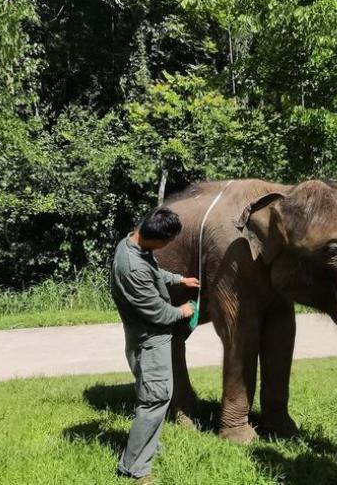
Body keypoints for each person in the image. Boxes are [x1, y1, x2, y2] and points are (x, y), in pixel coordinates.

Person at [110, 206, 200, 484]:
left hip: (143, 339)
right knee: (155, 400)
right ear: (156, 240)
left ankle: (146, 446)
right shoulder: (133, 268)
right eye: (168, 242)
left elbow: (154, 271)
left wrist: (179, 279)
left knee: (153, 399)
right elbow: (159, 313)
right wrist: (184, 311)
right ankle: (135, 468)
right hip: (149, 344)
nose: (168, 245)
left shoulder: (132, 244)